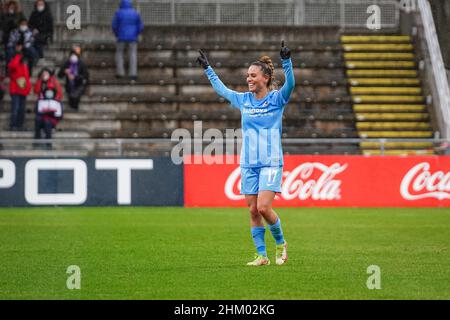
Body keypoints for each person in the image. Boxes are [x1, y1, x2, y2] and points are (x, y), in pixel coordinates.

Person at [197, 41, 295, 266]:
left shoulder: (277, 99)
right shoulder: (244, 100)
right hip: (249, 163)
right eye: (247, 76)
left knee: (263, 207)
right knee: (252, 210)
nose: (248, 79)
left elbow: (291, 83)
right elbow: (222, 90)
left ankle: (281, 244)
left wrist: (287, 62)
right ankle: (261, 255)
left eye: (253, 75)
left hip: (271, 162)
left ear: (265, 78)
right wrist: (208, 69)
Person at [112, 0, 144, 81]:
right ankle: (133, 73)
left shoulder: (118, 13)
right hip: (133, 38)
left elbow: (114, 26)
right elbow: (140, 25)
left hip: (121, 37)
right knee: (133, 54)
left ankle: (120, 73)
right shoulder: (135, 13)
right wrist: (136, 33)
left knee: (119, 54)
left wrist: (117, 34)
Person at [8, 41, 31, 131]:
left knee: (21, 110)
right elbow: (12, 67)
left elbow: (26, 78)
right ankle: (13, 125)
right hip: (15, 90)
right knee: (15, 109)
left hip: (23, 89)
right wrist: (18, 57)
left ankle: (19, 125)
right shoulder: (14, 61)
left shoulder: (24, 65)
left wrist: (28, 88)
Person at [57, 46, 89, 111]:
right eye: (72, 54)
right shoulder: (67, 63)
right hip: (70, 85)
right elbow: (59, 75)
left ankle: (74, 107)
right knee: (71, 93)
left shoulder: (81, 64)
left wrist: (75, 77)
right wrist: (64, 71)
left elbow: (85, 77)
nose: (73, 56)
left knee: (74, 94)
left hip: (79, 84)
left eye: (76, 55)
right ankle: (73, 107)